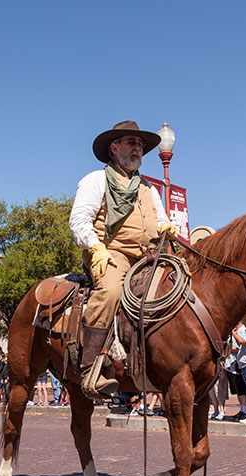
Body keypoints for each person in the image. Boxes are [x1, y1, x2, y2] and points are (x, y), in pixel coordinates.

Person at [69, 121, 177, 398]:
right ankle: (90, 368)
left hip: (149, 256)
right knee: (111, 291)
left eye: (141, 145)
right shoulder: (96, 180)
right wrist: (96, 249)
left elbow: (162, 221)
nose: (138, 149)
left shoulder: (149, 189)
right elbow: (79, 221)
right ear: (114, 148)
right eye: (132, 143)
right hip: (112, 253)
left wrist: (166, 228)